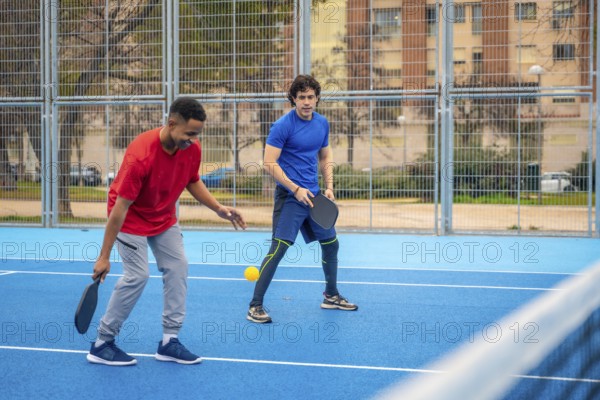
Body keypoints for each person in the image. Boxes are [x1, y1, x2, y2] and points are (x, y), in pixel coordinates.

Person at [87, 97, 247, 366]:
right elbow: (119, 209)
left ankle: (169, 342)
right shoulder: (141, 155)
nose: (194, 140)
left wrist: (218, 208)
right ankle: (103, 342)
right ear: (171, 124)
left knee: (178, 267)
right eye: (189, 133)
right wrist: (104, 256)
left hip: (163, 217)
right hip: (130, 219)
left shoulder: (191, 149)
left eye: (197, 134)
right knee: (137, 275)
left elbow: (192, 180)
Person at [247, 74, 358, 324]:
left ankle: (331, 295)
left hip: (315, 197)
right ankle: (255, 306)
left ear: (317, 98)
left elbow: (325, 155)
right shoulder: (282, 126)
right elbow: (268, 163)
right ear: (293, 100)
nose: (306, 102)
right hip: (290, 197)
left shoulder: (322, 123)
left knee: (332, 244)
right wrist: (295, 188)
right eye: (301, 98)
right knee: (278, 250)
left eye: (310, 97)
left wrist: (329, 186)